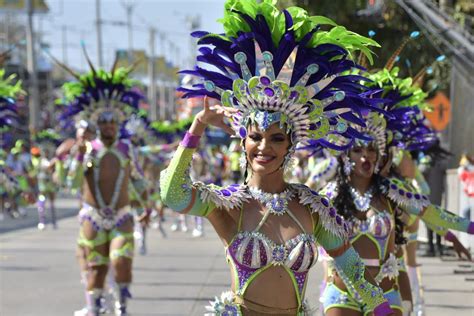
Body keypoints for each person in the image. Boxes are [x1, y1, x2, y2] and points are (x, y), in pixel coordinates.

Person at [161, 1, 394, 314]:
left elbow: (352, 271)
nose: (264, 147)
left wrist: (381, 308)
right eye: (255, 137)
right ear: (243, 142)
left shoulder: (313, 208)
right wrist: (196, 128)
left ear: (290, 146)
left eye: (276, 138)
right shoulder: (230, 203)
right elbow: (172, 194)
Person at [55, 54, 147, 316]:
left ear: (118, 123)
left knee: (121, 263)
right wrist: (80, 154)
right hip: (92, 217)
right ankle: (95, 309)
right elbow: (70, 182)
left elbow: (138, 179)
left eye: (112, 121)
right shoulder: (86, 151)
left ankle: (121, 308)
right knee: (96, 269)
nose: (108, 125)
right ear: (96, 124)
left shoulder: (126, 148)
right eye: (103, 121)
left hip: (122, 216)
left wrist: (149, 206)